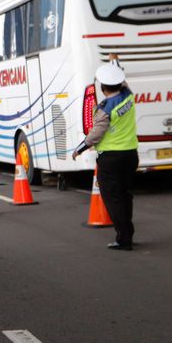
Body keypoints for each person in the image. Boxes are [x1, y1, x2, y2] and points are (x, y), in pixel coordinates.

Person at [73, 62, 139, 250]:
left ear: (102, 88)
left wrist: (81, 147)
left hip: (111, 159)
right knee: (125, 196)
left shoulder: (104, 108)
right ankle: (128, 234)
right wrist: (114, 65)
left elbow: (96, 133)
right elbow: (123, 82)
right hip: (130, 155)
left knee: (113, 199)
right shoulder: (129, 97)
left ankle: (123, 239)